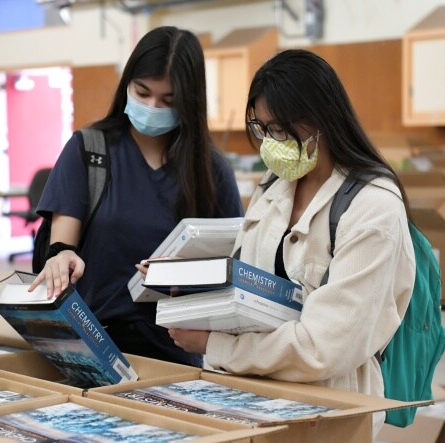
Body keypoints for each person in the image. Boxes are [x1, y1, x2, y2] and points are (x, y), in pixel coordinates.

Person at [168, 49, 416, 417]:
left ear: (323, 119)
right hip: (247, 392)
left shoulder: (373, 208)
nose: (271, 142)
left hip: (326, 409)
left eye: (282, 129)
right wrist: (195, 288)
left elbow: (323, 348)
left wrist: (215, 345)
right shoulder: (274, 185)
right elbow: (251, 280)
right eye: (264, 129)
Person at [30, 26, 244, 367]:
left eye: (168, 100)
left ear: (189, 101)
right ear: (126, 84)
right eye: (142, 92)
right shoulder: (89, 151)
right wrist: (60, 259)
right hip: (94, 346)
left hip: (175, 352)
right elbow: (62, 246)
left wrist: (183, 276)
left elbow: (233, 265)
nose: (152, 107)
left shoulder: (210, 169)